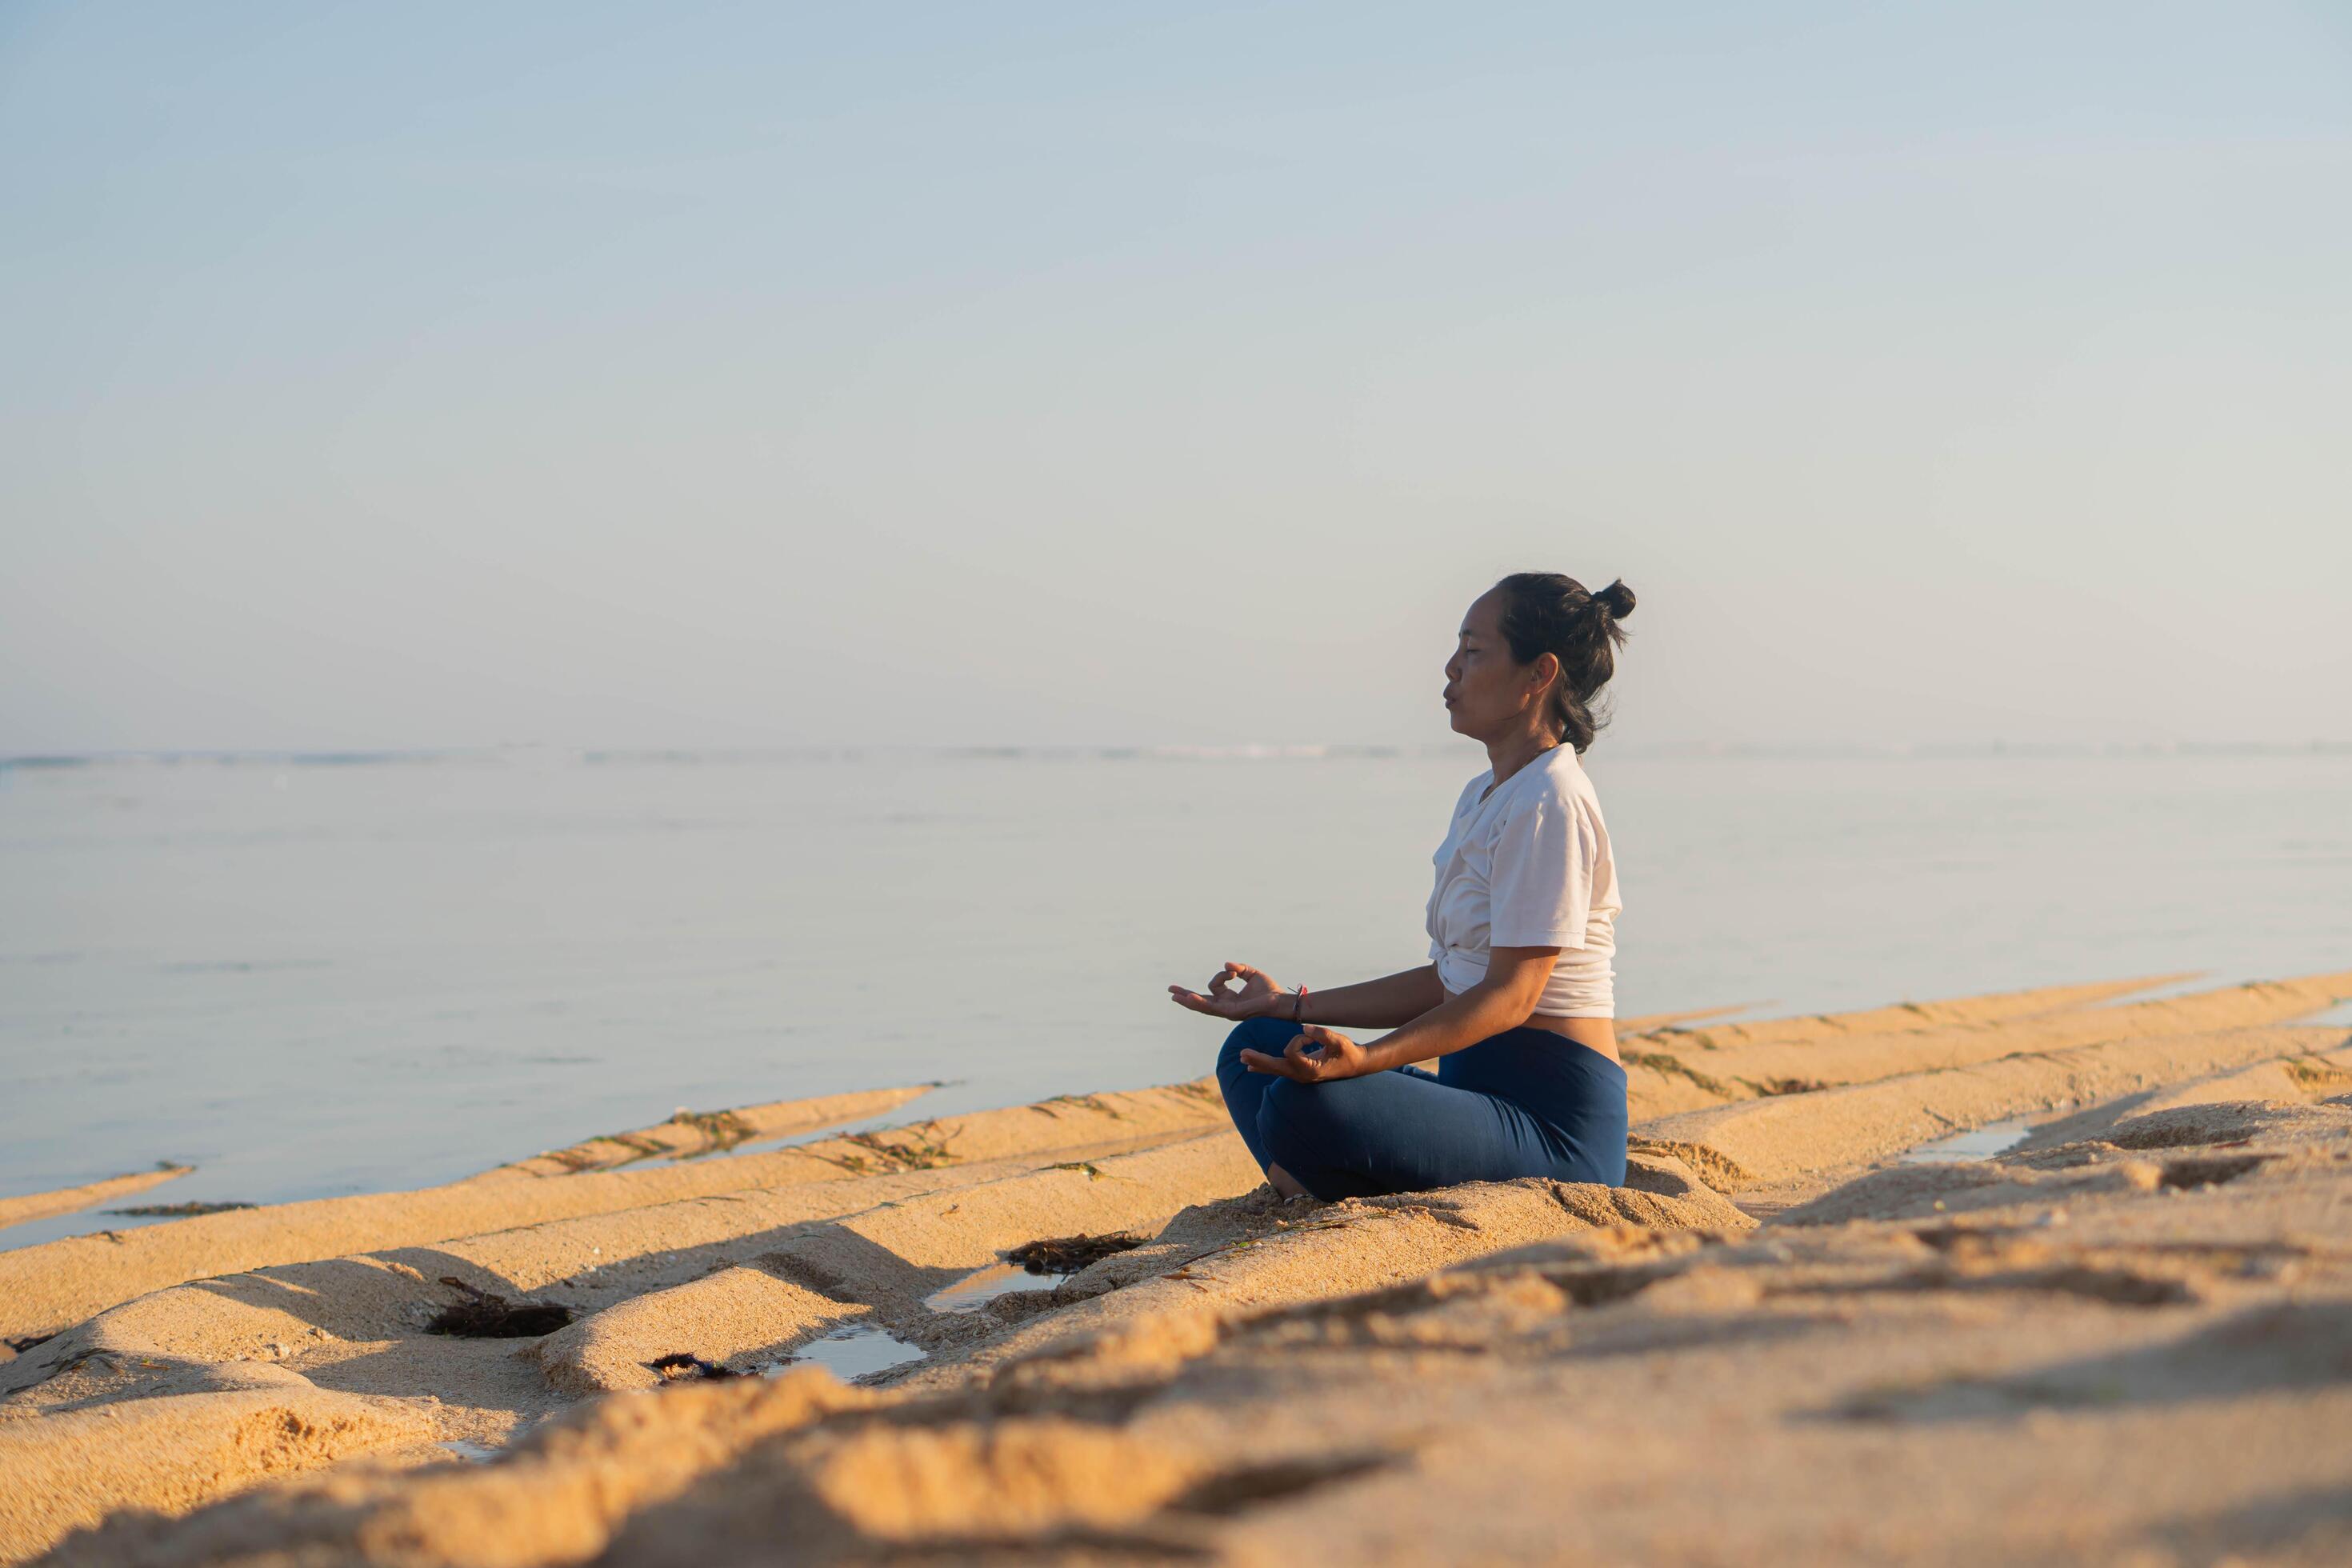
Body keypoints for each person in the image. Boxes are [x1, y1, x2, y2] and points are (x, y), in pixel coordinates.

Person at [1168, 573, 1634, 1201]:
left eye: (1473, 651)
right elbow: (1450, 980)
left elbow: (1513, 996)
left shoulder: (1551, 798)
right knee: (1255, 1045)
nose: (1450, 669)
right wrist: (1288, 1006)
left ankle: (1312, 1180)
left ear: (1538, 674)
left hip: (1552, 1129)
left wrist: (1368, 1061)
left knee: (1301, 1106)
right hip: (1477, 1099)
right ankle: (1312, 1179)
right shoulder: (1487, 796)